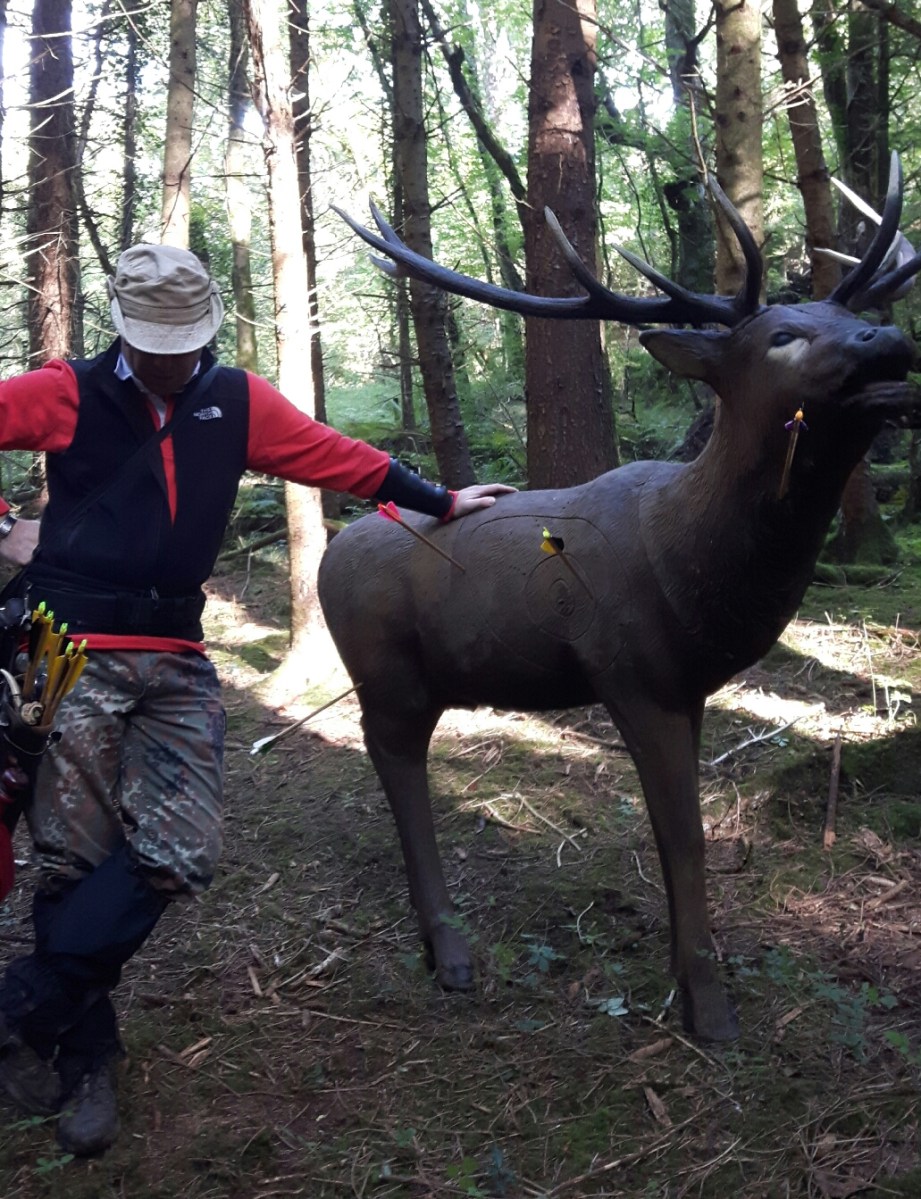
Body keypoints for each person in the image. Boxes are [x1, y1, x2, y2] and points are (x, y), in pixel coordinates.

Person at [0, 243, 513, 1156]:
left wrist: (438, 499)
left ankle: (24, 1001)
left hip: (178, 652)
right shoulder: (66, 391)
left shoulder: (235, 401)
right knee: (73, 862)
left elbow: (333, 456)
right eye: (152, 341)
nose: (167, 358)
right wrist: (4, 529)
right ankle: (87, 1059)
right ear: (123, 328)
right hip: (65, 650)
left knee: (180, 851)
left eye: (181, 340)